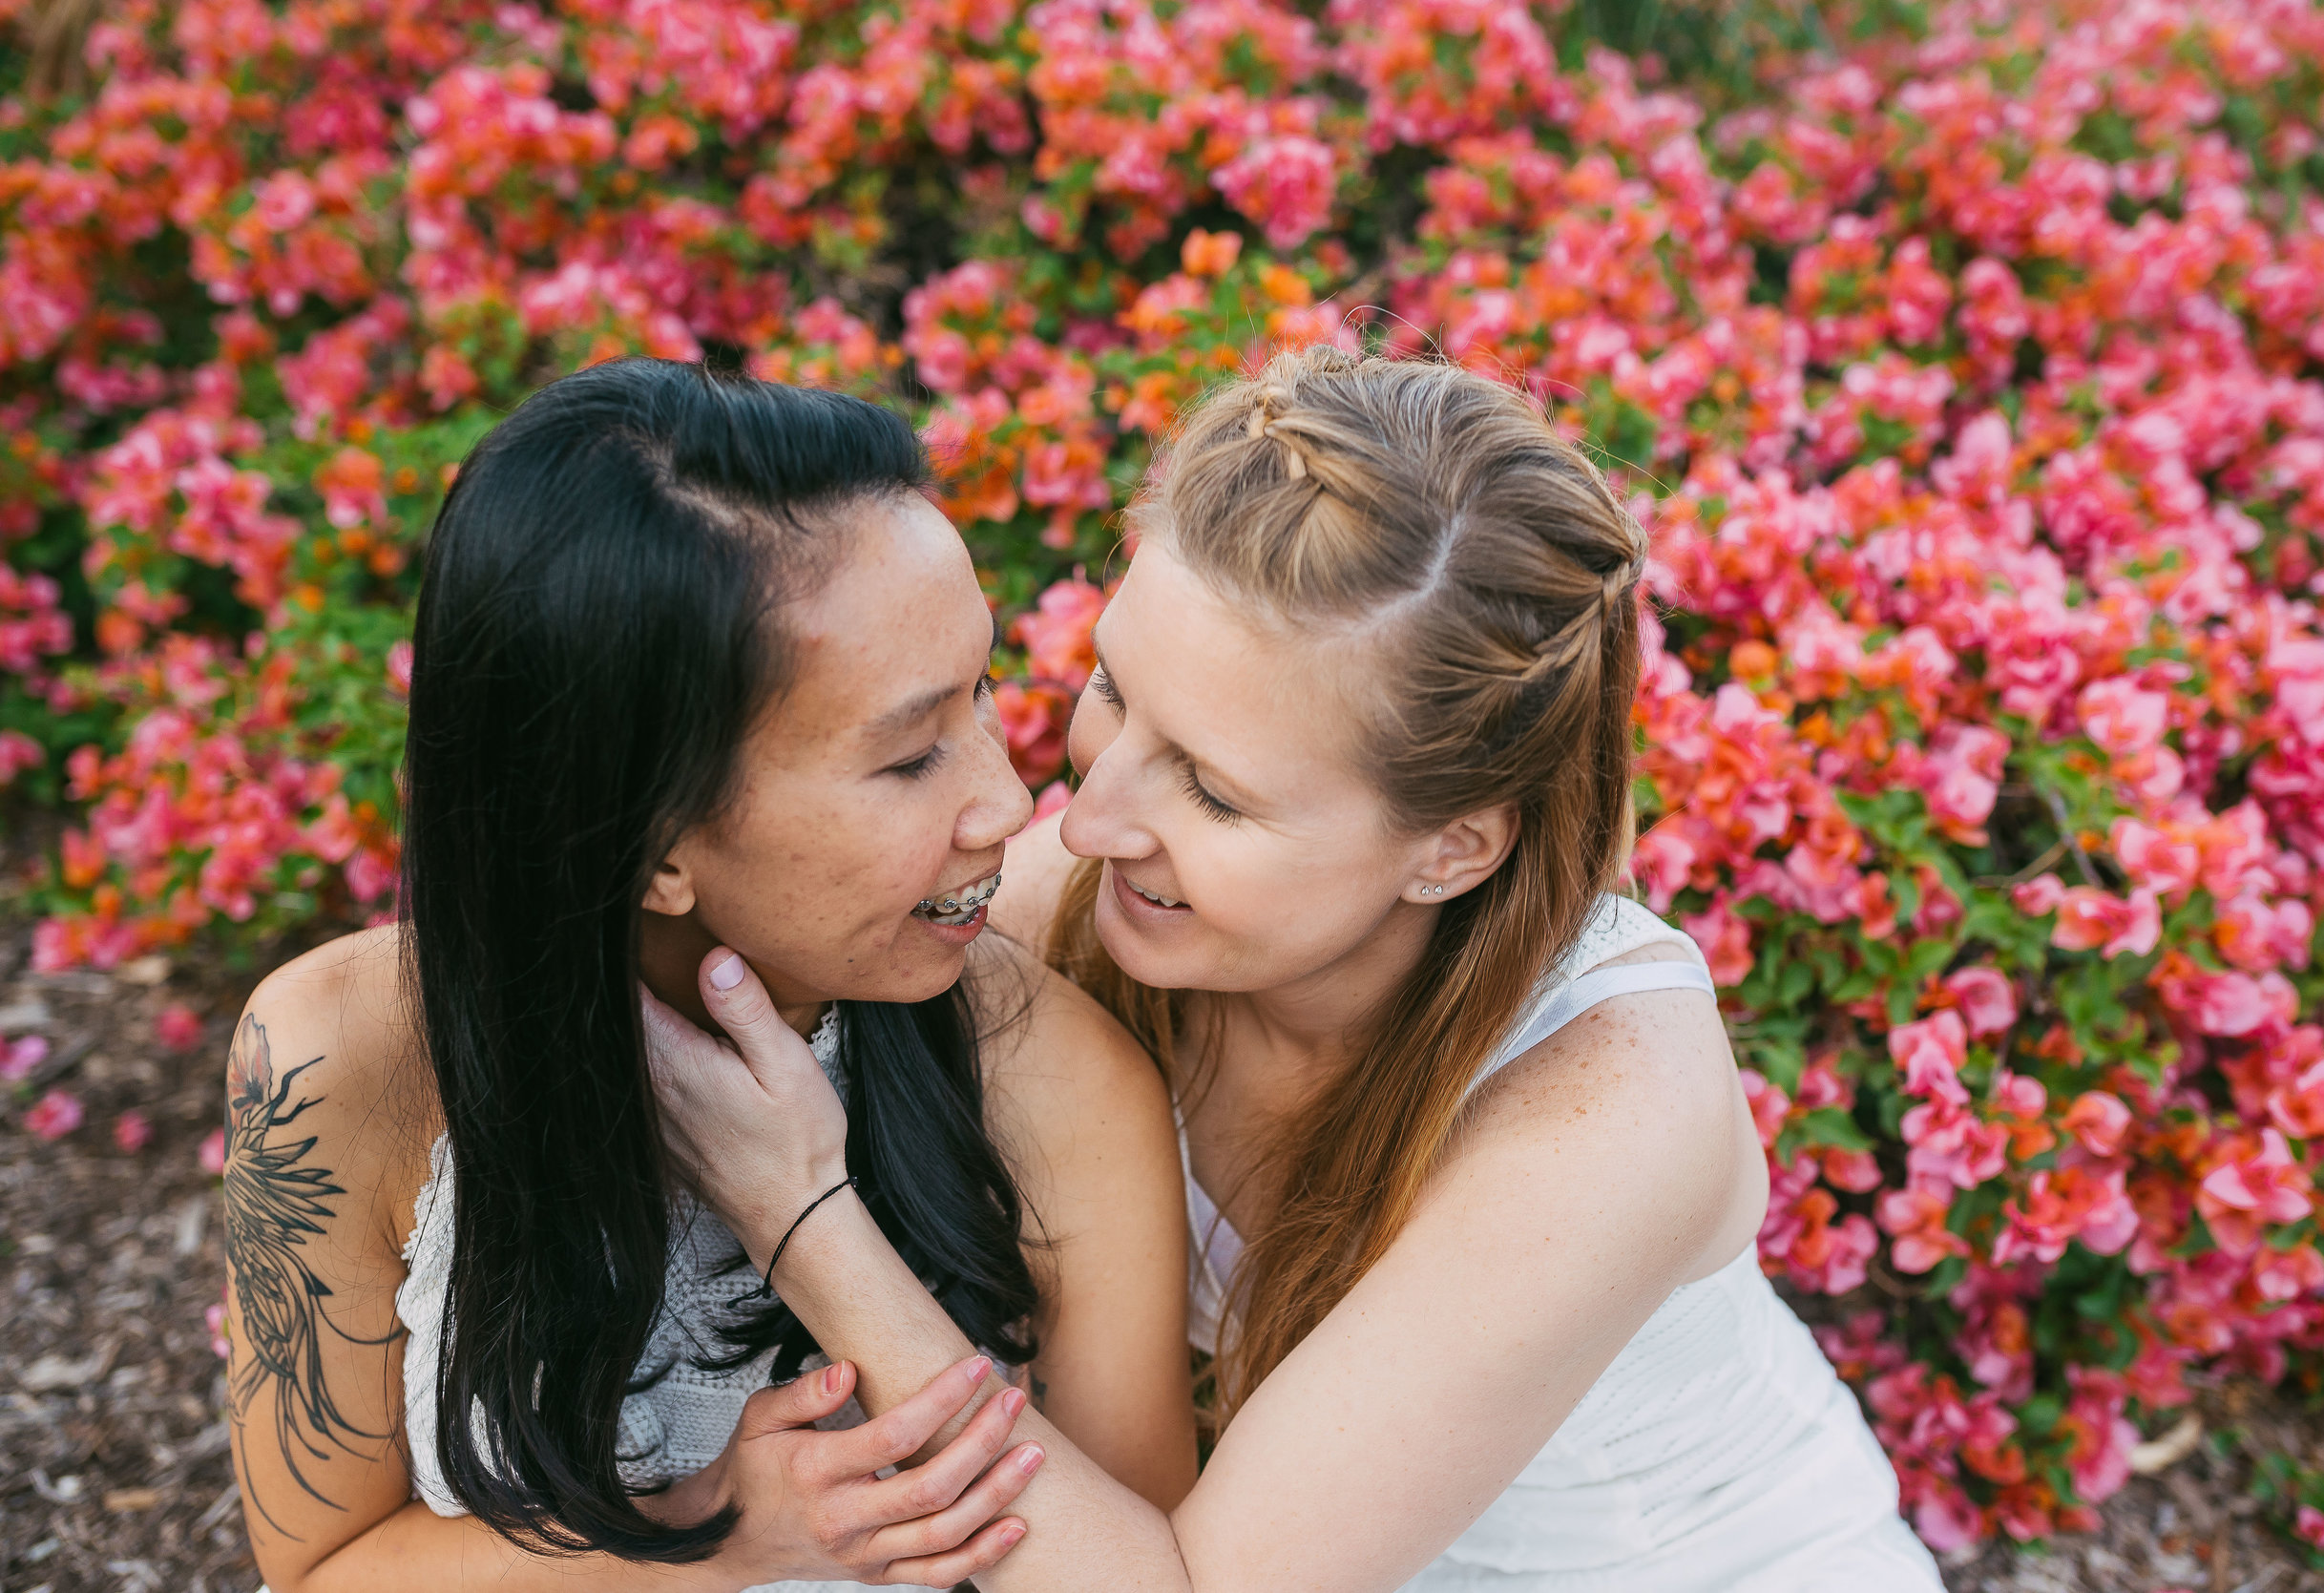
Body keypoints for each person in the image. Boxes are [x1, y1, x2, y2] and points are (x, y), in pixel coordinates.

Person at [646, 346, 1948, 1590]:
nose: (1087, 822)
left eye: (1213, 790)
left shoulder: (1609, 1104)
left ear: (1450, 849)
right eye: (1112, 689)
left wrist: (805, 1216)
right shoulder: (1085, 899)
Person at [220, 358, 1195, 1593]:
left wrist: (813, 1226)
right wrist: (713, 1530)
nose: (1008, 799)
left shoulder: (1050, 1077)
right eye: (908, 758)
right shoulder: (335, 1061)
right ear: (655, 842)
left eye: (984, 692)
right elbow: (323, 1572)